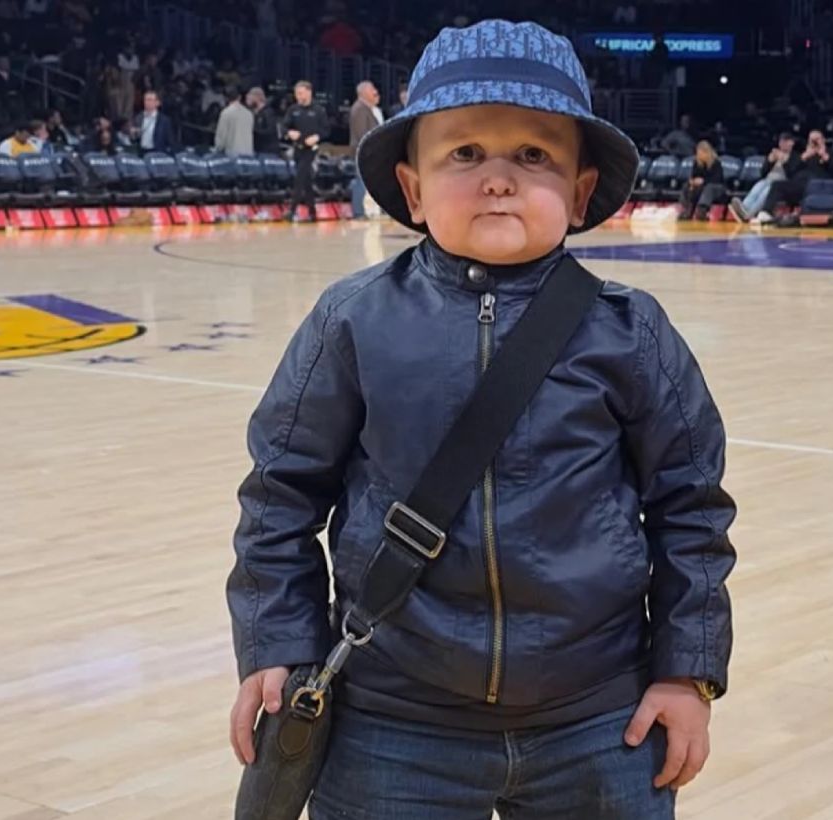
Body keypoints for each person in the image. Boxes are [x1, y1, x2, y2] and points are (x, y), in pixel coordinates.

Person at [226, 19, 735, 819]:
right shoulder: (352, 320)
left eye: (533, 155)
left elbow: (690, 510)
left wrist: (686, 670)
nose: (498, 179)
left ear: (580, 191)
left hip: (600, 720)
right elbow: (280, 496)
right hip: (390, 722)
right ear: (413, 187)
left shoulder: (632, 332)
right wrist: (277, 642)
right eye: (464, 153)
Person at [754, 130, 833, 224]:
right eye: (811, 140)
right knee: (776, 185)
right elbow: (790, 172)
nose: (814, 142)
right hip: (799, 184)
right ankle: (765, 213)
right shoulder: (801, 154)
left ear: (823, 140)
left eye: (817, 139)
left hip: (818, 185)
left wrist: (824, 156)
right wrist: (804, 157)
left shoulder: (832, 153)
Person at [280, 80, 328, 221]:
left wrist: (317, 137)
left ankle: (292, 210)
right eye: (296, 94)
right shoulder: (293, 110)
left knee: (299, 177)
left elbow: (326, 130)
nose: (298, 96)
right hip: (298, 148)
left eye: (301, 93)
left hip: (311, 149)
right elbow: (283, 127)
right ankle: (312, 212)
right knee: (306, 181)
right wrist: (289, 133)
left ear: (309, 92)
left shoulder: (319, 110)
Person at [728, 132, 795, 223]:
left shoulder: (795, 156)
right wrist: (769, 162)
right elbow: (763, 173)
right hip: (768, 179)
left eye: (785, 141)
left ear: (791, 143)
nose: (782, 144)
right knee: (759, 185)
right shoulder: (775, 154)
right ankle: (744, 207)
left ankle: (749, 213)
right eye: (781, 141)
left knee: (767, 190)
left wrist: (784, 161)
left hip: (782, 183)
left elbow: (793, 173)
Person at [347, 80, 382, 218]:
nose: (375, 91)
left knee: (365, 182)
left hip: (368, 151)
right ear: (364, 92)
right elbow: (362, 133)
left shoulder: (368, 108)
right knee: (360, 182)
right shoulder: (359, 109)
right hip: (362, 151)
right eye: (372, 89)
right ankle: (358, 212)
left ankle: (365, 210)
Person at [679, 141, 725, 221]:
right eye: (698, 153)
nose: (699, 155)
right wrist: (692, 181)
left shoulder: (716, 163)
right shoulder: (696, 163)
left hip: (716, 187)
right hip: (701, 186)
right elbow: (693, 176)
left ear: (707, 153)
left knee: (709, 188)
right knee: (686, 186)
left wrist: (703, 181)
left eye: (701, 153)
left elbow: (717, 179)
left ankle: (702, 210)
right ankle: (687, 209)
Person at [214, 85, 254, 156]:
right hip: (248, 152)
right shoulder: (249, 113)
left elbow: (221, 135)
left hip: (232, 153)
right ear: (239, 97)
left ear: (226, 98)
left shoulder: (226, 113)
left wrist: (218, 148)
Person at [247, 86, 279, 154]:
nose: (248, 101)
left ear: (256, 97)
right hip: (257, 150)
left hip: (268, 151)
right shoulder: (254, 113)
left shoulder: (268, 112)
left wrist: (254, 131)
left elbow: (270, 131)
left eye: (250, 98)